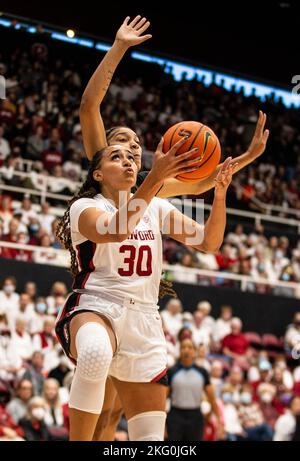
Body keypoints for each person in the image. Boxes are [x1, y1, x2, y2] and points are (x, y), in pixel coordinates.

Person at [79, 14, 270, 441]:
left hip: (141, 312)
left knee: (114, 414)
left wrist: (247, 158)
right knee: (101, 405)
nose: (129, 147)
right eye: (120, 142)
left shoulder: (153, 191)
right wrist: (119, 48)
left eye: (134, 144)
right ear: (101, 159)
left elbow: (205, 181)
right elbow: (89, 105)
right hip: (103, 301)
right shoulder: (104, 173)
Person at [54, 126, 234, 440]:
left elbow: (209, 242)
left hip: (146, 319)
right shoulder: (84, 207)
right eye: (116, 156)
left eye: (132, 156)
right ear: (97, 174)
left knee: (150, 438)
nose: (127, 160)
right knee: (95, 352)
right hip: (98, 305)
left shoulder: (156, 207)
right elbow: (116, 230)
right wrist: (155, 178)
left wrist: (219, 194)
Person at [167, 338, 223, 441]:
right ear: (179, 351)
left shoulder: (202, 372)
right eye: (183, 347)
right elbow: (163, 399)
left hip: (195, 416)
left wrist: (219, 420)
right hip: (175, 416)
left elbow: (212, 399)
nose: (186, 350)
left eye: (190, 347)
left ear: (195, 351)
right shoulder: (171, 372)